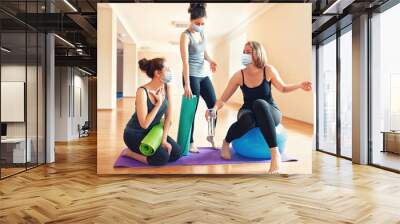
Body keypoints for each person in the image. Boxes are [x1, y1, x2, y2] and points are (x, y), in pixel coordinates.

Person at [207, 41, 312, 174]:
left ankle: (275, 154)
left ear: (258, 53)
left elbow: (283, 88)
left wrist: (299, 85)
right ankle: (226, 142)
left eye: (248, 52)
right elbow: (223, 99)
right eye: (244, 52)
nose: (245, 55)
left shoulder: (268, 70)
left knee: (259, 103)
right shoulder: (239, 75)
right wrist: (214, 109)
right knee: (248, 119)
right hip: (247, 111)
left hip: (269, 110)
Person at [122, 57, 182, 166]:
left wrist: (163, 140)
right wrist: (157, 105)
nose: (170, 72)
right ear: (157, 73)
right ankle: (129, 153)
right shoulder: (142, 92)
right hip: (135, 134)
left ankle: (157, 147)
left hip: (154, 131)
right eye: (167, 69)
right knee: (161, 159)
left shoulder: (167, 87)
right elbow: (144, 124)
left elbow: (168, 117)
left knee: (176, 153)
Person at [180, 3, 218, 152]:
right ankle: (190, 142)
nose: (200, 26)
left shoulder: (203, 33)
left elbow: (204, 52)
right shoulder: (185, 36)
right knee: (192, 110)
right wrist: (187, 85)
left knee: (214, 106)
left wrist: (211, 60)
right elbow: (185, 61)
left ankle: (211, 136)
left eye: (202, 23)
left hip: (204, 75)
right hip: (191, 76)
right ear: (191, 20)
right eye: (197, 23)